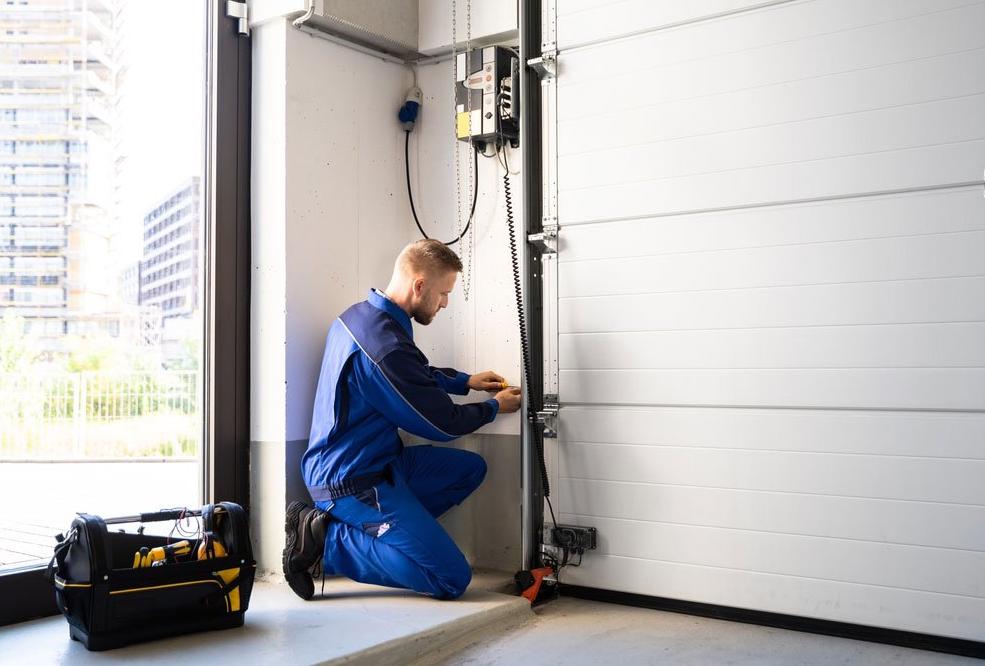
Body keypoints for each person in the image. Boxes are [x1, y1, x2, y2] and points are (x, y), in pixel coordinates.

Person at [283, 239, 522, 601]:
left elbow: (412, 374)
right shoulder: (384, 347)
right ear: (419, 286)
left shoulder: (361, 317)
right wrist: (492, 407)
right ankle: (326, 542)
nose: (445, 303)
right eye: (444, 293)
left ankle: (387, 538)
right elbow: (442, 424)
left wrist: (465, 382)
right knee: (451, 578)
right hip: (350, 482)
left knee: (470, 469)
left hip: (381, 463)